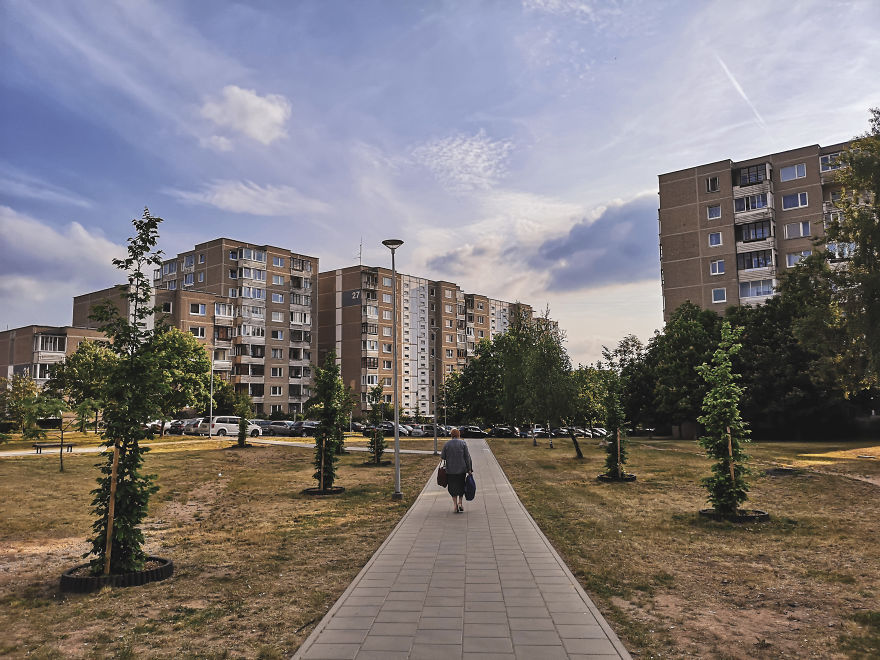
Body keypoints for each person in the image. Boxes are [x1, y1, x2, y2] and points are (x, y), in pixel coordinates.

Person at [440, 428, 473, 513]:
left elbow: (443, 457)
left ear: (451, 435)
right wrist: (469, 469)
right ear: (458, 435)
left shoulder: (447, 444)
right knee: (461, 486)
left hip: (450, 470)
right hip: (461, 470)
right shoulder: (463, 443)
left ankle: (455, 505)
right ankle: (460, 503)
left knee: (452, 487)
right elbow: (467, 457)